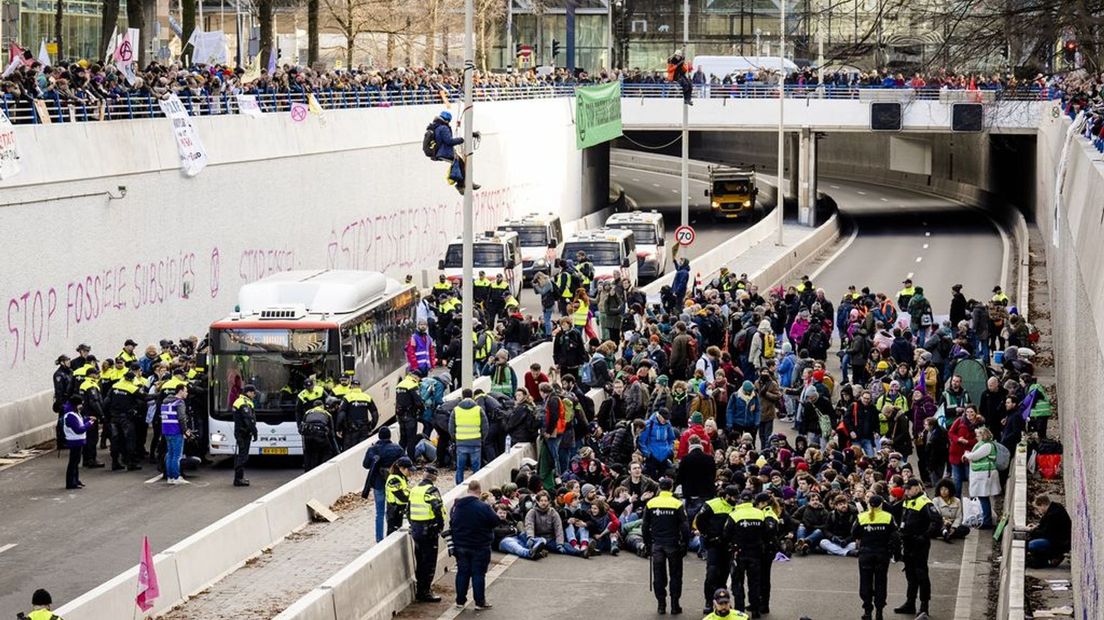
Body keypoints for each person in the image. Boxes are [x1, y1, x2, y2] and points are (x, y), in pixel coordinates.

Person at [449, 479, 502, 611]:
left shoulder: (457, 506)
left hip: (460, 545)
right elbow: (496, 521)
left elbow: (452, 522)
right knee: (478, 574)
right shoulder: (483, 507)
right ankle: (479, 602)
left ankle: (460, 601)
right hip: (480, 546)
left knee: (462, 573)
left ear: (468, 491)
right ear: (479, 492)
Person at [642, 477, 691, 615]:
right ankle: (675, 605)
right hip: (673, 544)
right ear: (671, 488)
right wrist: (685, 544)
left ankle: (661, 605)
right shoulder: (677, 504)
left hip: (657, 544)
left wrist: (647, 544)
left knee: (658, 576)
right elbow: (685, 527)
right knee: (675, 575)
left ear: (659, 488)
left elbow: (645, 526)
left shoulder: (651, 503)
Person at [895, 479, 941, 617]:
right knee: (910, 574)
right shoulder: (907, 501)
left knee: (921, 575)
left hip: (919, 544)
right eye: (906, 489)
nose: (906, 491)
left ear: (917, 488)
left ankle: (924, 606)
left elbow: (937, 521)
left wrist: (925, 536)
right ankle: (910, 603)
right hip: (908, 542)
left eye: (909, 489)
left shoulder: (925, 502)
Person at [724, 491, 771, 618]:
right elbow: (767, 532)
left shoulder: (734, 514)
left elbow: (726, 534)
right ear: (752, 500)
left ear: (741, 500)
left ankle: (740, 611)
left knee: (737, 583)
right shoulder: (760, 514)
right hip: (756, 553)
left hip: (739, 552)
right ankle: (755, 610)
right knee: (754, 582)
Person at [852, 494, 901, 620]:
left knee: (865, 582)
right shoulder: (888, 517)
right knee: (880, 582)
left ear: (869, 504)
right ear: (881, 505)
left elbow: (854, 533)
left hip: (866, 553)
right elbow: (895, 536)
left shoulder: (862, 517)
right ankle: (879, 611)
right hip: (882, 553)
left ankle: (867, 611)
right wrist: (896, 554)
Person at [410, 466, 446, 602]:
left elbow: (408, 510)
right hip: (429, 530)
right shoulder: (432, 490)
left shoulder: (414, 489)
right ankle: (425, 591)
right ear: (434, 477)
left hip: (416, 530)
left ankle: (421, 589)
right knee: (429, 562)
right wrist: (440, 525)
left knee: (419, 560)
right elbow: (437, 508)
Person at [363, 426, 406, 541]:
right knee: (392, 510)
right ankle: (391, 534)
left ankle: (379, 539)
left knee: (379, 513)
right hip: (393, 483)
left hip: (378, 483)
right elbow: (406, 462)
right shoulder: (397, 448)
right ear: (389, 436)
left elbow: (365, 465)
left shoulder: (373, 449)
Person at [431, 110, 480, 194]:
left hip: (442, 151)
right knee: (461, 164)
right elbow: (449, 141)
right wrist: (460, 140)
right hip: (445, 152)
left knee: (461, 164)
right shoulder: (443, 128)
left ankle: (466, 182)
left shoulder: (438, 127)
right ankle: (462, 185)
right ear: (447, 120)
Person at [963, 426, 1002, 529]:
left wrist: (967, 454)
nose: (976, 437)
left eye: (978, 435)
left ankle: (987, 520)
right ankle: (986, 518)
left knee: (983, 497)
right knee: (982, 497)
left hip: (985, 475)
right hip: (982, 474)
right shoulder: (983, 444)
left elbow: (974, 456)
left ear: (984, 435)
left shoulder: (987, 446)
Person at [450, 388, 488, 484]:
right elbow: (485, 427)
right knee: (476, 468)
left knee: (460, 467)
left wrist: (455, 438)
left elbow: (451, 427)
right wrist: (481, 439)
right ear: (472, 396)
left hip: (461, 443)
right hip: (475, 442)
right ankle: (476, 486)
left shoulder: (456, 410)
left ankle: (459, 486)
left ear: (462, 396)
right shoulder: (478, 409)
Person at [1026, 494, 1072, 567]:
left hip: (1060, 542)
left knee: (1032, 544)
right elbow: (1044, 525)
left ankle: (1048, 559)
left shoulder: (1053, 515)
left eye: (1038, 508)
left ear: (1043, 505)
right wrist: (1036, 527)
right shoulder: (1055, 507)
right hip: (1058, 538)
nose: (1039, 511)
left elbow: (1046, 533)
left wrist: (1032, 531)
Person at [60, 395, 93, 490]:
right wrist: (89, 424)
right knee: (73, 462)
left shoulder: (75, 413)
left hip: (77, 441)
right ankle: (71, 483)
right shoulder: (70, 415)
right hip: (74, 441)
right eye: (80, 404)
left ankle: (75, 480)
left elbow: (80, 422)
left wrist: (87, 419)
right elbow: (79, 429)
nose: (81, 406)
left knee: (76, 462)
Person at [160, 384, 191, 485]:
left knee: (170, 454)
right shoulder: (180, 403)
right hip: (176, 431)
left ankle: (170, 477)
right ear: (180, 391)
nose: (187, 393)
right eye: (186, 391)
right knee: (177, 456)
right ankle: (176, 477)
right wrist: (185, 430)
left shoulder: (165, 402)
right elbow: (182, 418)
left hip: (166, 430)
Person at [336, 379, 379, 450]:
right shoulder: (367, 397)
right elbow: (375, 413)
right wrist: (371, 427)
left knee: (350, 451)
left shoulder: (347, 398)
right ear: (359, 387)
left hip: (350, 430)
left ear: (351, 386)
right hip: (364, 429)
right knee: (363, 449)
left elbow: (341, 414)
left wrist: (338, 428)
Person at [300, 400, 339, 471]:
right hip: (320, 436)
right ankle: (323, 469)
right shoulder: (327, 413)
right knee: (328, 451)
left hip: (308, 437)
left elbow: (301, 427)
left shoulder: (307, 412)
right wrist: (337, 451)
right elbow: (332, 434)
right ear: (322, 406)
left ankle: (309, 471)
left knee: (311, 454)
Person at [394, 373, 425, 459]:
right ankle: (410, 461)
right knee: (411, 439)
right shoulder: (412, 385)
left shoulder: (400, 385)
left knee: (403, 439)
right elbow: (419, 402)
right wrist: (421, 412)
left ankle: (399, 459)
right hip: (410, 416)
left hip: (400, 416)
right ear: (416, 377)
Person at [232, 384, 258, 487]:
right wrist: (255, 431)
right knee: (243, 456)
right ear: (248, 392)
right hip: (243, 433)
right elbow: (249, 420)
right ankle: (238, 479)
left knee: (241, 455)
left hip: (241, 432)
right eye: (253, 393)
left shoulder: (241, 401)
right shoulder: (243, 403)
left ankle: (239, 477)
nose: (254, 395)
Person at [385, 456, 414, 535]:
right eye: (409, 470)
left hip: (400, 509)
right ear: (401, 468)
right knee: (392, 533)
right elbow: (402, 497)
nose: (410, 473)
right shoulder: (394, 480)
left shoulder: (402, 477)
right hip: (394, 510)